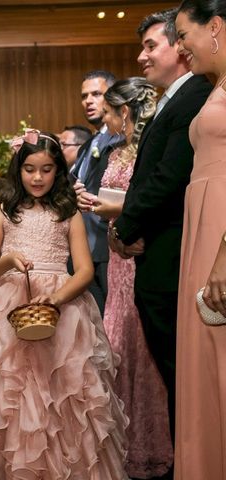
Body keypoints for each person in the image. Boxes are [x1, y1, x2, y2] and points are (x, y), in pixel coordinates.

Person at [0, 131, 128, 479]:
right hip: (9, 304)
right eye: (29, 169)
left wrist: (55, 298)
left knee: (64, 393)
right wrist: (9, 260)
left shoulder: (68, 214)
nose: (37, 178)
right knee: (4, 392)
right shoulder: (1, 213)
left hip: (62, 305)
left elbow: (83, 271)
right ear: (18, 170)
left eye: (46, 169)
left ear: (58, 172)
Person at [108, 10, 212, 458]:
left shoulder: (197, 95)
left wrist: (124, 228)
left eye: (152, 46)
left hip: (171, 254)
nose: (142, 56)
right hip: (156, 252)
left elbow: (169, 176)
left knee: (182, 372)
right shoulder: (175, 98)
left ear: (180, 48)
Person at [83, 77, 173, 478]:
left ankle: (153, 445)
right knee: (117, 346)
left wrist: (108, 210)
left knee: (142, 350)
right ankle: (119, 444)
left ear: (124, 112)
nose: (107, 121)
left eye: (109, 113)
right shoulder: (114, 152)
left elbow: (154, 199)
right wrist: (96, 205)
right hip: (118, 254)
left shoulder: (151, 151)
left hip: (139, 253)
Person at [174, 3, 226, 478]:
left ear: (215, 27)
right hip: (202, 227)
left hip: (221, 235)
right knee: (203, 358)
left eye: (183, 34)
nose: (180, 45)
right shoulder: (215, 88)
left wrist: (224, 257)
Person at [71, 70, 123, 316]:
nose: (88, 101)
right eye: (84, 96)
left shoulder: (121, 140)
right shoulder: (89, 144)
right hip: (84, 247)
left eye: (96, 94)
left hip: (110, 243)